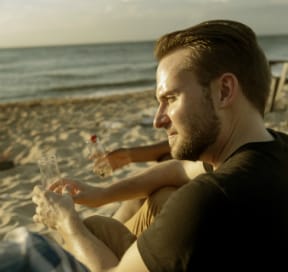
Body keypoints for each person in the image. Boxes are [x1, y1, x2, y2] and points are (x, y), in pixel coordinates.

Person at [32, 19, 288, 271]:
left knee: (90, 230)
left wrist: (66, 221)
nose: (158, 120)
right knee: (160, 194)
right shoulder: (273, 150)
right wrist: (101, 194)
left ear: (223, 91)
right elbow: (177, 169)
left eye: (171, 98)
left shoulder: (209, 198)